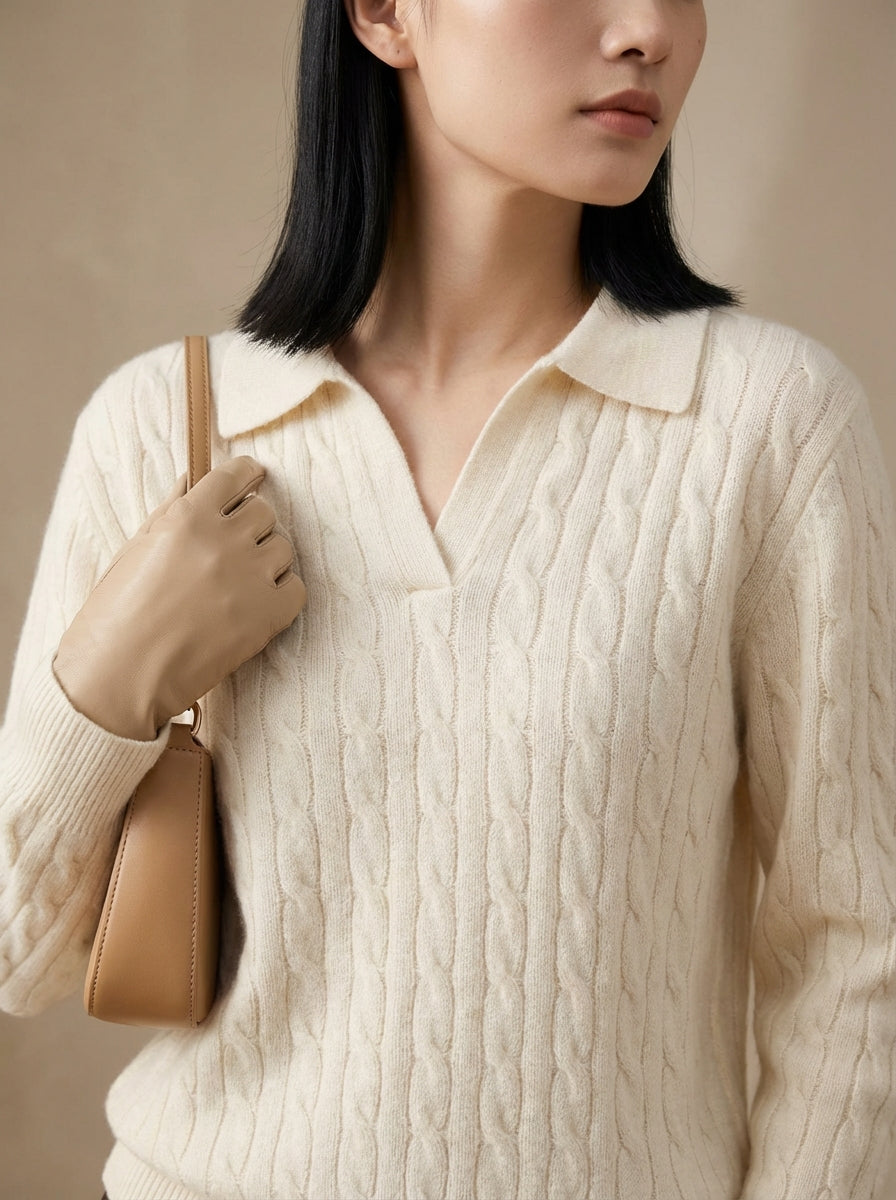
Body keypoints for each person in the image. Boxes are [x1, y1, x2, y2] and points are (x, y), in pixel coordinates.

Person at [1, 0, 894, 1197]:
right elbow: (22, 959)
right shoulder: (164, 427)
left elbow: (854, 946)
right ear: (382, 14)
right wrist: (106, 686)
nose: (646, 32)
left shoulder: (763, 425)